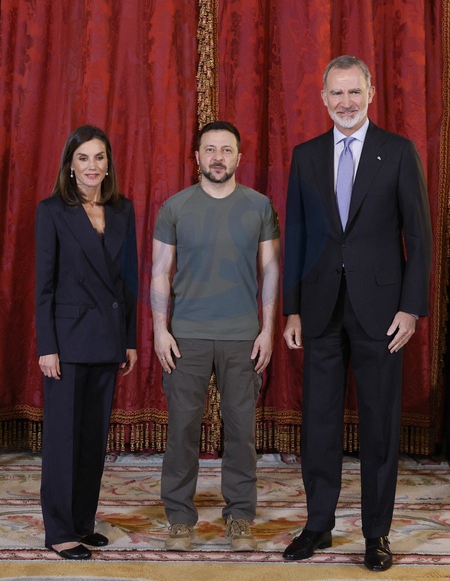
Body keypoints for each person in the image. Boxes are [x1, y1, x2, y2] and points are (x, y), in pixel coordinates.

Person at [282, 56, 432, 572]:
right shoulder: (305, 156)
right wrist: (292, 310)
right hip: (320, 309)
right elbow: (297, 237)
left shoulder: (398, 151)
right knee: (319, 423)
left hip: (382, 312)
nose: (345, 102)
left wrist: (411, 308)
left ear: (370, 94)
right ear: (323, 98)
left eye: (353, 92)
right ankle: (318, 526)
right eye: (336, 93)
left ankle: (376, 535)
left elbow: (419, 237)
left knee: (379, 426)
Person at [150, 121, 280, 552]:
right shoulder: (175, 207)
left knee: (241, 432)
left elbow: (270, 270)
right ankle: (179, 520)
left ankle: (240, 517)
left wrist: (267, 330)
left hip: (243, 337)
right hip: (186, 337)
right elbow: (159, 273)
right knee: (182, 431)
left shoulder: (259, 206)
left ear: (239, 157)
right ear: (197, 157)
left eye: (226, 150)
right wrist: (160, 330)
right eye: (210, 149)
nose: (218, 157)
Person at [35, 124, 138, 560]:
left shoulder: (122, 209)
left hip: (108, 337)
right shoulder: (52, 211)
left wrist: (129, 339)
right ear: (70, 165)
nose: (92, 166)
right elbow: (44, 285)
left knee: (93, 440)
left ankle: (82, 523)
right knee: (63, 440)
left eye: (99, 157)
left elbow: (128, 280)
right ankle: (59, 531)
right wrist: (47, 346)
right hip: (68, 342)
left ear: (108, 164)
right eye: (83, 158)